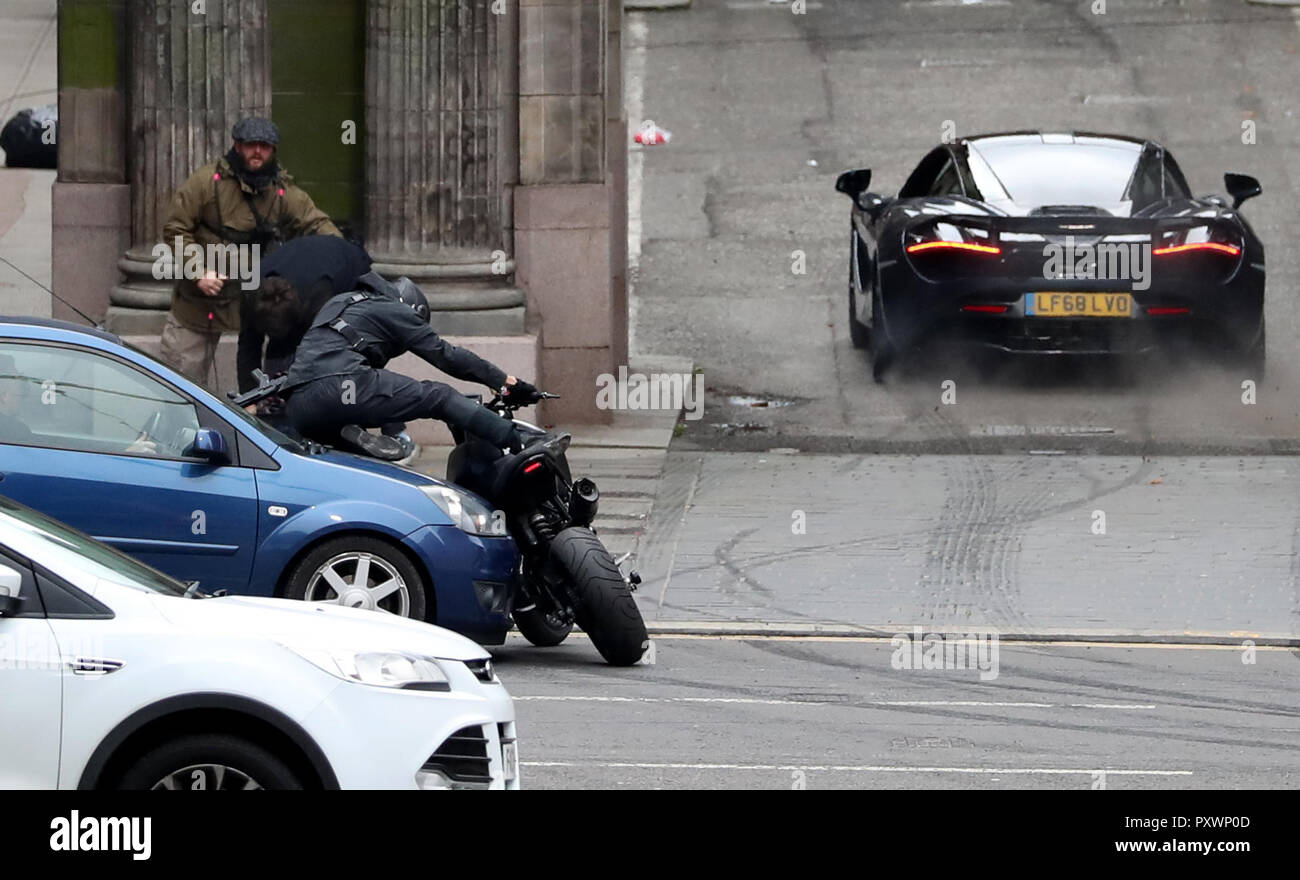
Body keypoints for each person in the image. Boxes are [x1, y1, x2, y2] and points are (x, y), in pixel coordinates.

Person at [159, 116, 342, 389]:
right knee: (179, 384)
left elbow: (315, 223)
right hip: (202, 300)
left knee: (272, 380)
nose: (258, 151)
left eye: (265, 146)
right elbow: (176, 228)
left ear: (273, 150)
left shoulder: (281, 191)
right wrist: (197, 272)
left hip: (255, 299)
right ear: (237, 145)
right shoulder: (206, 183)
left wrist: (341, 254)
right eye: (251, 144)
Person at [281, 273, 542, 459]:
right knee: (440, 396)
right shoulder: (394, 309)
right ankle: (519, 440)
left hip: (300, 405)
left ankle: (357, 441)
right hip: (344, 384)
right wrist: (505, 381)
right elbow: (445, 355)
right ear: (410, 308)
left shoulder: (341, 302)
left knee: (358, 468)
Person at [236, 233, 372, 402]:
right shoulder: (250, 291)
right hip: (305, 262)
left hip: (349, 266)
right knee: (280, 360)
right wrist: (249, 401)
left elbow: (330, 350)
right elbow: (248, 348)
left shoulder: (319, 296)